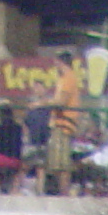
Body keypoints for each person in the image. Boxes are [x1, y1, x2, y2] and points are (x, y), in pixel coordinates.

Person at [46, 50, 82, 194]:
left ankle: (64, 193)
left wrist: (43, 103)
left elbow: (61, 101)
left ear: (61, 62)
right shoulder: (64, 79)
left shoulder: (68, 78)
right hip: (59, 123)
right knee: (56, 163)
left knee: (62, 163)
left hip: (64, 125)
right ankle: (61, 192)